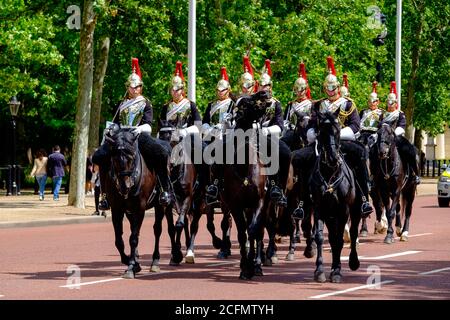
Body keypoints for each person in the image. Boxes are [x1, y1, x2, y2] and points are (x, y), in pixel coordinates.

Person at [92, 57, 174, 209]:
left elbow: (148, 125)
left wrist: (139, 128)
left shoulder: (146, 103)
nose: (134, 89)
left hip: (139, 136)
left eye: (137, 87)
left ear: (141, 87)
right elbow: (115, 122)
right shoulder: (121, 104)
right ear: (127, 87)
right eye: (131, 87)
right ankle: (105, 196)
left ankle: (164, 190)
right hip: (121, 137)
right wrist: (110, 132)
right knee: (99, 156)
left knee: (161, 153)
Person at [301, 56, 373, 217]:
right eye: (328, 87)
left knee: (360, 157)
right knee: (300, 159)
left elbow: (355, 125)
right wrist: (314, 133)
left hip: (343, 141)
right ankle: (301, 201)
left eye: (333, 87)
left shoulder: (348, 104)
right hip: (322, 143)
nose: (330, 90)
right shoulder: (318, 105)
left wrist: (338, 134)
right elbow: (312, 124)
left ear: (338, 87)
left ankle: (364, 199)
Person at [203, 66, 236, 204]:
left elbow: (235, 123)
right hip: (212, 136)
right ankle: (203, 184)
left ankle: (218, 183)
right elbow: (204, 122)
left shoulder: (233, 105)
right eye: (217, 90)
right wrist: (210, 130)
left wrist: (225, 128)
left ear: (228, 90)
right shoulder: (211, 105)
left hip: (228, 137)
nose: (219, 92)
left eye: (222, 90)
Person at [380, 81, 421, 184]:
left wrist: (393, 133)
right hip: (385, 138)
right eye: (388, 103)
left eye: (392, 103)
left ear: (395, 103)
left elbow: (402, 126)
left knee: (410, 151)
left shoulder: (400, 114)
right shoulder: (383, 115)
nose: (389, 105)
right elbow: (379, 126)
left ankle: (414, 173)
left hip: (396, 137)